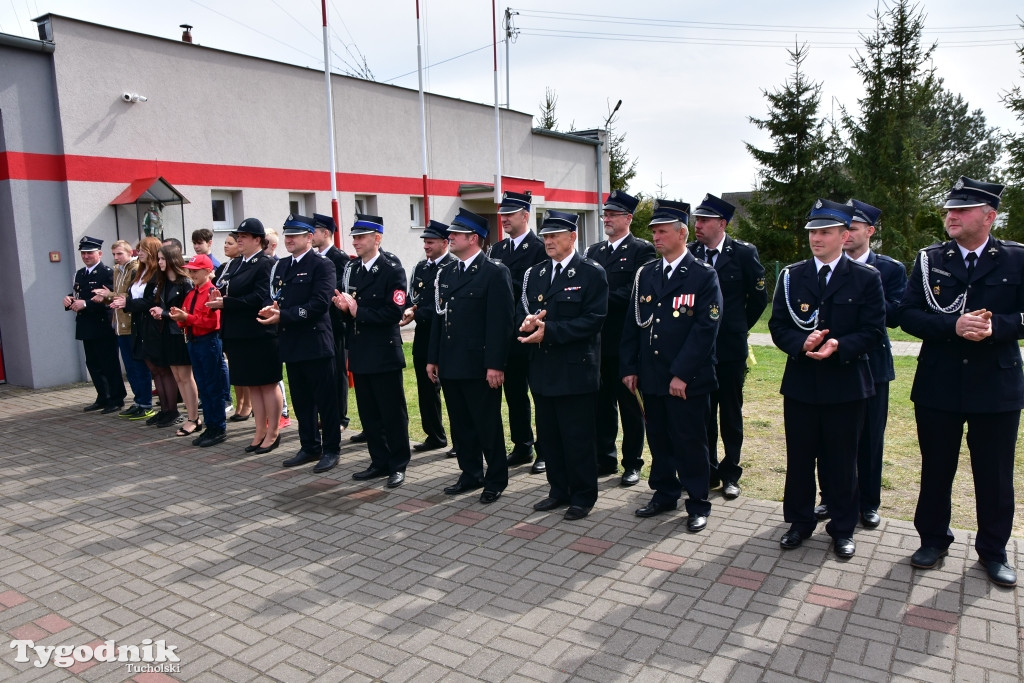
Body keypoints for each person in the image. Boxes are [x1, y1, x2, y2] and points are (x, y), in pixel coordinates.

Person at [900, 177, 1023, 587]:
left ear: (989, 216)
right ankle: (933, 540)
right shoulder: (930, 259)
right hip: (940, 382)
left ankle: (993, 551)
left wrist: (998, 327)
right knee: (937, 468)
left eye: (962, 209)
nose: (950, 215)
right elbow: (908, 314)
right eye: (948, 209)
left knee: (995, 474)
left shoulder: (1017, 259)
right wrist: (953, 324)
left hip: (996, 385)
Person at [768, 198, 884, 559]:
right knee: (800, 458)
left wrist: (839, 345)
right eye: (812, 232)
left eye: (824, 232)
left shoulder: (866, 277)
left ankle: (842, 528)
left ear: (844, 235)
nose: (816, 238)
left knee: (842, 460)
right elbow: (778, 326)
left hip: (846, 384)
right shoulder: (791, 276)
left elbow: (873, 330)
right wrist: (801, 343)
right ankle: (799, 522)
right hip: (802, 383)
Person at [621, 200, 721, 533]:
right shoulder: (646, 274)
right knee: (659, 439)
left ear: (683, 233)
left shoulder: (702, 275)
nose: (656, 237)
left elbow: (705, 330)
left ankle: (697, 503)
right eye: (653, 232)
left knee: (690, 442)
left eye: (662, 231)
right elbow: (633, 325)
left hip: (686, 379)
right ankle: (664, 493)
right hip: (651, 376)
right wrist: (629, 366)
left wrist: (682, 374)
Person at [812, 199, 906, 527]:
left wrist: (865, 287)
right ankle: (831, 498)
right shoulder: (820, 266)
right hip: (830, 363)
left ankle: (868, 501)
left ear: (870, 231)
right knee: (829, 437)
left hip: (871, 364)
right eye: (844, 228)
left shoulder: (890, 269)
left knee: (868, 438)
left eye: (853, 228)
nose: (847, 233)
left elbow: (894, 316)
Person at [518, 210, 608, 521]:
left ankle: (582, 496)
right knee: (550, 436)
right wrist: (527, 322)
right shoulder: (538, 273)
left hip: (575, 370)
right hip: (542, 368)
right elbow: (525, 309)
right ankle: (558, 490)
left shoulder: (591, 273)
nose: (548, 240)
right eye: (545, 235)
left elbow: (594, 320)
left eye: (555, 235)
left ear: (573, 237)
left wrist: (551, 331)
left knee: (577, 437)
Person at [427, 209, 513, 503]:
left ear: (473, 238)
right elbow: (440, 319)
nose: (449, 237)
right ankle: (470, 473)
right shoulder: (448, 273)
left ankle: (496, 478)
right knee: (461, 425)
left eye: (455, 234)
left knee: (487, 424)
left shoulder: (494, 272)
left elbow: (501, 324)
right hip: (451, 362)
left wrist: (495, 365)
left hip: (479, 365)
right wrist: (433, 358)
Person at [689, 193, 768, 500]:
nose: (699, 225)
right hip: (698, 349)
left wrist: (737, 327)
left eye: (705, 220)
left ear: (722, 224)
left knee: (730, 414)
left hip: (730, 349)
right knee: (702, 413)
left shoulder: (743, 253)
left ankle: (730, 472)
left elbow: (758, 298)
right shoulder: (692, 253)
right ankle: (707, 472)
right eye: (697, 220)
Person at [332, 213, 411, 489]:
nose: (355, 242)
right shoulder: (352, 270)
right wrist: (343, 309)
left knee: (392, 412)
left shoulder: (392, 269)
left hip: (384, 352)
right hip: (360, 349)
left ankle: (398, 464)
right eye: (354, 237)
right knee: (369, 412)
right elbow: (349, 311)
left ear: (377, 239)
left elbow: (394, 312)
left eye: (361, 237)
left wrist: (357, 311)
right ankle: (379, 461)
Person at [585, 190, 656, 487]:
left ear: (628, 218)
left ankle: (633, 463)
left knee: (629, 406)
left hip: (625, 343)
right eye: (605, 214)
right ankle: (605, 458)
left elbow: (635, 294)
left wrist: (596, 300)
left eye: (613, 214)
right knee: (601, 405)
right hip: (596, 343)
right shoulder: (593, 252)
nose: (607, 219)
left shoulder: (643, 251)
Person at [259, 214, 340, 472]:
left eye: (295, 235)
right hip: (292, 343)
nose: (289, 239)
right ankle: (309, 446)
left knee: (325, 400)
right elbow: (279, 297)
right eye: (287, 235)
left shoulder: (322, 265)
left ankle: (331, 449)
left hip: (316, 342)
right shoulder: (282, 266)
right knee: (302, 400)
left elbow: (318, 304)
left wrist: (285, 315)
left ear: (309, 237)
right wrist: (274, 310)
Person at [208, 218, 283, 454]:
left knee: (268, 384)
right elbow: (229, 288)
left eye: (244, 236)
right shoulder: (236, 263)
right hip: (238, 333)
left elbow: (260, 297)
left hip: (259, 332)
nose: (239, 239)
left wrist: (227, 302)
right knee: (253, 385)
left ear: (257, 240)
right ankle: (260, 430)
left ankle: (273, 432)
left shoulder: (265, 263)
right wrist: (219, 295)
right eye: (238, 235)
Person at [489, 190, 547, 474]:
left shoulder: (538, 247)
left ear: (525, 215)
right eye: (502, 215)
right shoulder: (497, 250)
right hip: (506, 333)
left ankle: (545, 450)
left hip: (531, 331)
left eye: (509, 215)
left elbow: (535, 290)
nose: (504, 220)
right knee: (514, 393)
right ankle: (522, 444)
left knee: (539, 392)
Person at [402, 220, 455, 453]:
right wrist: (408, 308)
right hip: (423, 337)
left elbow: (443, 306)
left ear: (445, 243)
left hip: (446, 336)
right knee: (426, 389)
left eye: (431, 241)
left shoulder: (453, 267)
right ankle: (434, 435)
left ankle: (460, 440)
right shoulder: (421, 268)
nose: (426, 245)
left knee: (453, 391)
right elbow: (412, 296)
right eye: (425, 241)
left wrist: (416, 312)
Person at [169, 254, 228, 447]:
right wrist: (179, 318)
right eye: (190, 270)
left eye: (196, 271)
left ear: (207, 271)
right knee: (203, 385)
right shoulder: (192, 293)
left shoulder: (212, 292)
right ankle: (210, 425)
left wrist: (187, 318)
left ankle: (217, 427)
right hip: (194, 341)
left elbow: (213, 323)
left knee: (213, 385)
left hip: (208, 341)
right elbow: (186, 315)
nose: (191, 274)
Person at [92, 239, 153, 419]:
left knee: (138, 366)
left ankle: (145, 402)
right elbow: (117, 296)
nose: (116, 258)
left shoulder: (135, 268)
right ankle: (138, 400)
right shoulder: (118, 270)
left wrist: (108, 295)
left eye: (120, 254)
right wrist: (104, 297)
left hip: (131, 323)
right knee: (130, 367)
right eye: (114, 254)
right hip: (119, 324)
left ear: (130, 253)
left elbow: (131, 295)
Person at [64, 236, 126, 413]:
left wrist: (85, 304)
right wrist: (69, 299)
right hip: (85, 324)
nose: (86, 256)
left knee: (109, 363)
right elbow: (78, 293)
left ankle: (116, 398)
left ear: (99, 253)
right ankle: (103, 396)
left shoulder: (107, 272)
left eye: (90, 253)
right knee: (92, 362)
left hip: (102, 325)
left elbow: (107, 298)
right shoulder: (80, 273)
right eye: (83, 253)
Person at [146, 244, 201, 434]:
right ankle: (190, 416)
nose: (159, 262)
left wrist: (166, 313)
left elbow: (186, 311)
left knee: (186, 377)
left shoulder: (184, 283)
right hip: (167, 333)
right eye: (159, 259)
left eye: (162, 259)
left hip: (181, 334)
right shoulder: (163, 282)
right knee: (178, 377)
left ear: (171, 260)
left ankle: (194, 418)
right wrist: (159, 312)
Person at [312, 213, 352, 434]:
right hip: (320, 324)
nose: (311, 235)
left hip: (336, 324)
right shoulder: (316, 258)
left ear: (325, 233)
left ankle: (341, 417)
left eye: (314, 231)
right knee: (323, 373)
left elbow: (340, 289)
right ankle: (326, 414)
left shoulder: (339, 258)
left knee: (337, 372)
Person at [115, 237, 163, 422]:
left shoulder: (156, 273)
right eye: (138, 249)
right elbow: (131, 294)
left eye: (142, 249)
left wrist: (127, 303)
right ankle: (140, 401)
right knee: (135, 363)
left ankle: (148, 404)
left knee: (148, 366)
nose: (138, 252)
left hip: (149, 325)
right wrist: (124, 301)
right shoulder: (141, 272)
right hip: (137, 323)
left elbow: (152, 300)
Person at [216, 233, 251, 421]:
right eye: (226, 243)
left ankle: (248, 404)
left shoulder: (243, 266)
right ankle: (240, 402)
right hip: (227, 320)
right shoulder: (226, 266)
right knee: (235, 366)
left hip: (241, 322)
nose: (227, 246)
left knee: (244, 366)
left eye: (231, 243)